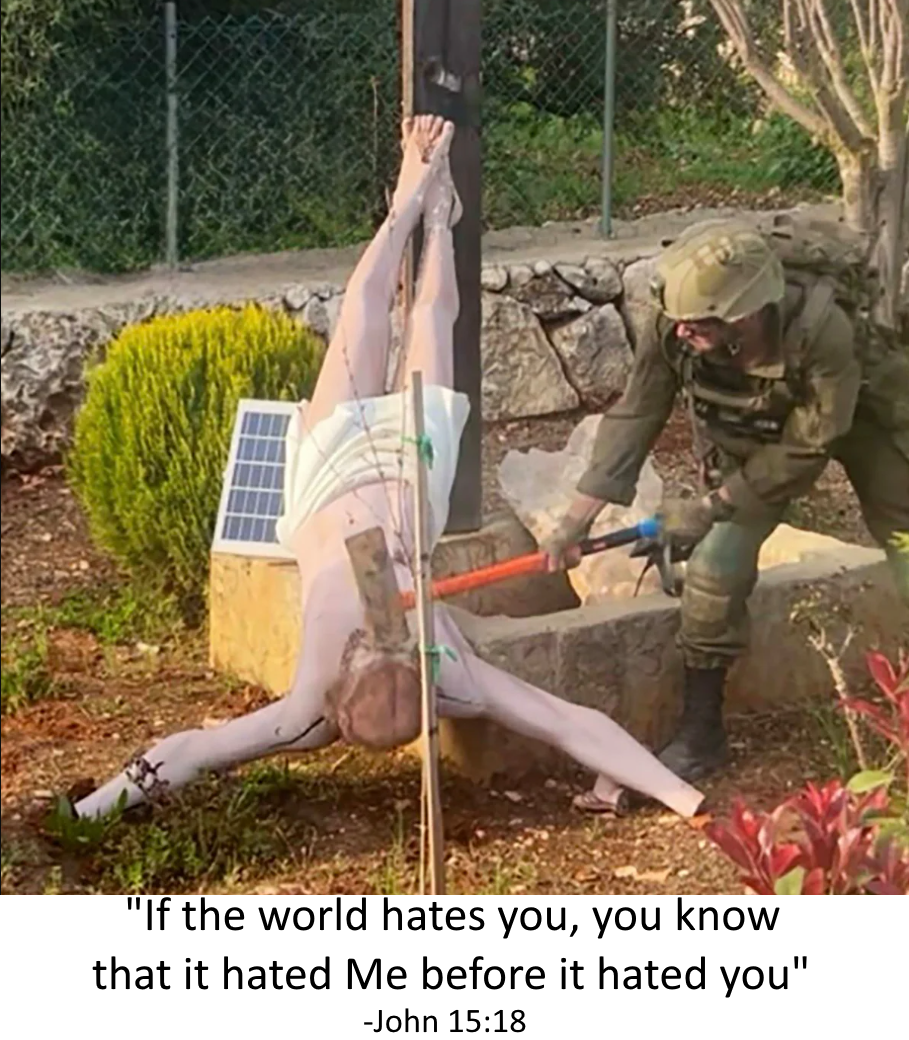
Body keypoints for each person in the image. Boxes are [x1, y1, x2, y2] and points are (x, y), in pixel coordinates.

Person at [74, 116, 705, 824]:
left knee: (374, 315)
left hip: (328, 477)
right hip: (407, 476)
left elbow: (192, 749)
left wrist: (91, 810)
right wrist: (687, 802)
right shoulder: (429, 683)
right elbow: (571, 723)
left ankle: (421, 208)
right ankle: (426, 213)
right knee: (423, 317)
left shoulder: (338, 702)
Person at [543, 219, 909, 783]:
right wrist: (576, 520)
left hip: (858, 414)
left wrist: (709, 506)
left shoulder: (822, 329)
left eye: (699, 322)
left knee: (905, 535)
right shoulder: (675, 326)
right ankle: (702, 733)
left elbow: (810, 444)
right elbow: (637, 413)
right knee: (715, 566)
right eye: (680, 319)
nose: (682, 330)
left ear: (746, 314)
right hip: (758, 433)